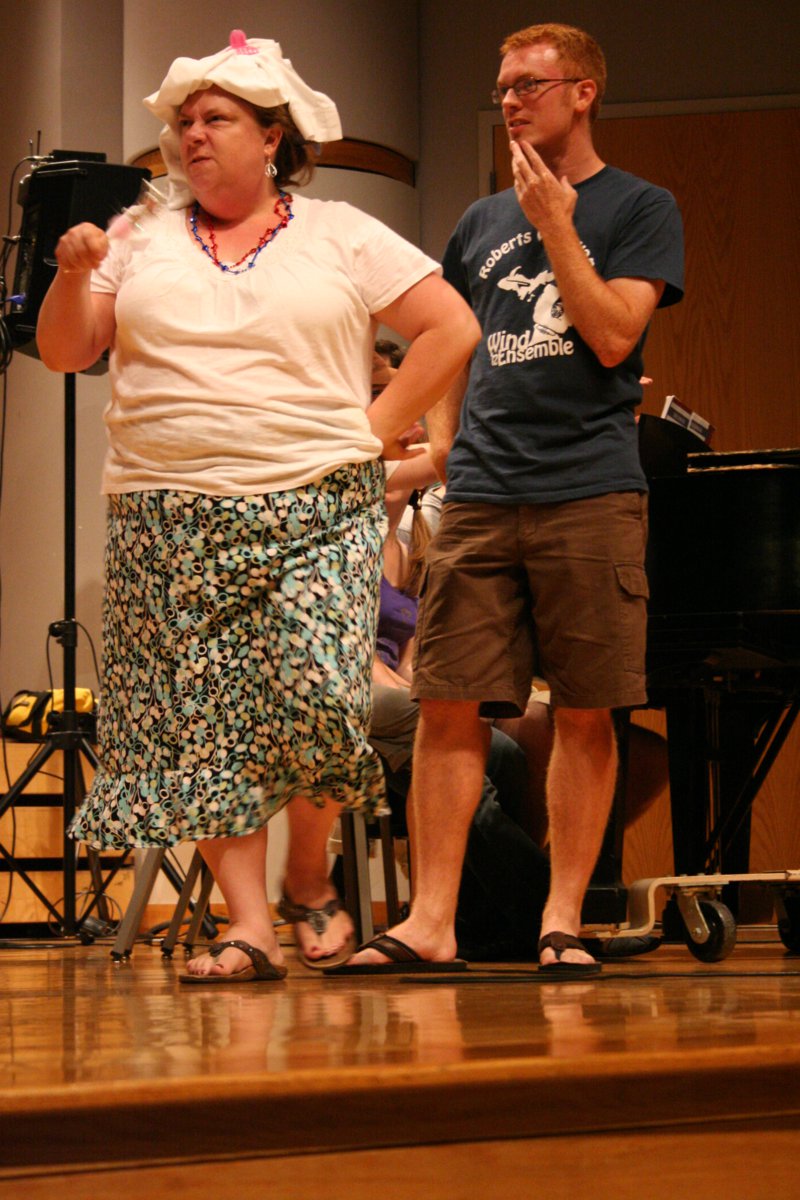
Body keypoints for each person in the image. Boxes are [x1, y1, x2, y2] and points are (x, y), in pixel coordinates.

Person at [35, 31, 479, 983]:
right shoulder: (139, 235)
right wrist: (72, 274)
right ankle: (248, 926)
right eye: (184, 122)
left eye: (216, 119)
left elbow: (451, 327)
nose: (192, 134)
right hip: (165, 509)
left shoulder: (340, 231)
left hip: (315, 501)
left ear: (273, 137)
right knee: (199, 723)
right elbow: (69, 352)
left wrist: (371, 430)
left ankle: (307, 874)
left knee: (320, 695)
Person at [344, 22, 683, 977]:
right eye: (501, 88)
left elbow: (613, 336)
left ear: (583, 92)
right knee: (447, 703)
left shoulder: (640, 207)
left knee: (585, 710)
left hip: (589, 490)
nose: (510, 102)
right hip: (484, 493)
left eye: (528, 84)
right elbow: (452, 334)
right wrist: (446, 436)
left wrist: (558, 226)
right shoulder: (479, 221)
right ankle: (431, 922)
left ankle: (561, 920)